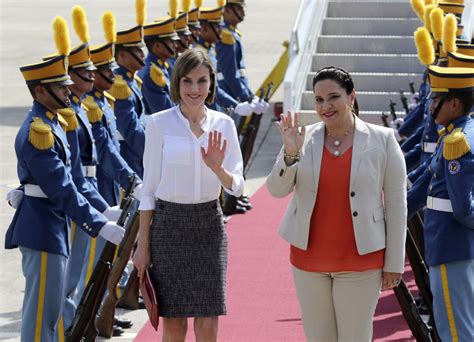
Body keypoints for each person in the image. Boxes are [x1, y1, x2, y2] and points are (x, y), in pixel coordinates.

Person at [4, 16, 124, 341]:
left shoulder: (55, 123)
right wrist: (97, 222)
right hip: (43, 227)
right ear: (41, 90)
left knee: (53, 315)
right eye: (60, 86)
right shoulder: (39, 130)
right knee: (42, 316)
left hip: (53, 226)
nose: (67, 90)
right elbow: (62, 186)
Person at [266, 66, 407, 341]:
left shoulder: (383, 140)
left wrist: (394, 262)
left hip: (361, 262)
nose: (325, 106)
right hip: (308, 261)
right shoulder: (301, 138)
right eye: (319, 100)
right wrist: (290, 154)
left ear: (351, 96)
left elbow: (396, 205)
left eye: (333, 97)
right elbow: (276, 190)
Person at [133, 49, 244, 341]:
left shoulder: (224, 124)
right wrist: (142, 245)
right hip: (169, 228)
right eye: (187, 81)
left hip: (209, 226)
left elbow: (237, 186)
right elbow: (149, 190)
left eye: (202, 81)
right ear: (176, 84)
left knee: (208, 323)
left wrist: (218, 169)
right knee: (175, 323)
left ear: (211, 84)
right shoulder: (158, 124)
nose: (195, 89)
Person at [407, 64, 473, 342]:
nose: (431, 104)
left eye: (436, 99)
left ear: (454, 103)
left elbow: (464, 209)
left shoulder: (458, 141)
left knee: (456, 332)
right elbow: (423, 184)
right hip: (449, 245)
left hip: (451, 246)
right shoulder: (452, 134)